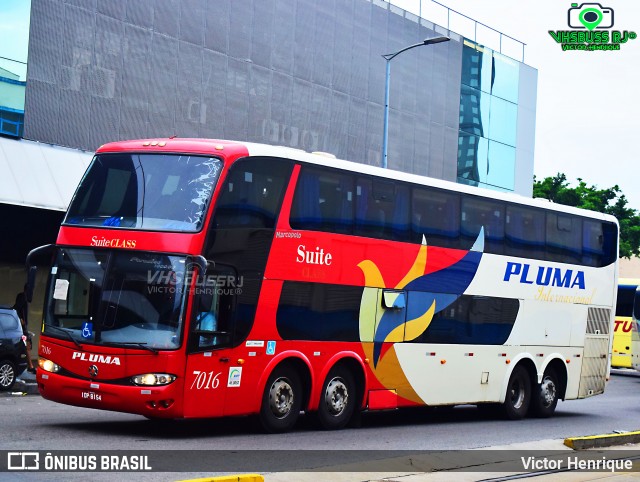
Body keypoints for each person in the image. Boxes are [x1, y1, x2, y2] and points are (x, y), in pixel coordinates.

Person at [13, 285, 35, 374]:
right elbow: (16, 308)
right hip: (21, 327)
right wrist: (20, 318)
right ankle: (30, 366)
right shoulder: (22, 297)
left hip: (23, 326)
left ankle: (29, 365)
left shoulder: (25, 298)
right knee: (27, 344)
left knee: (26, 345)